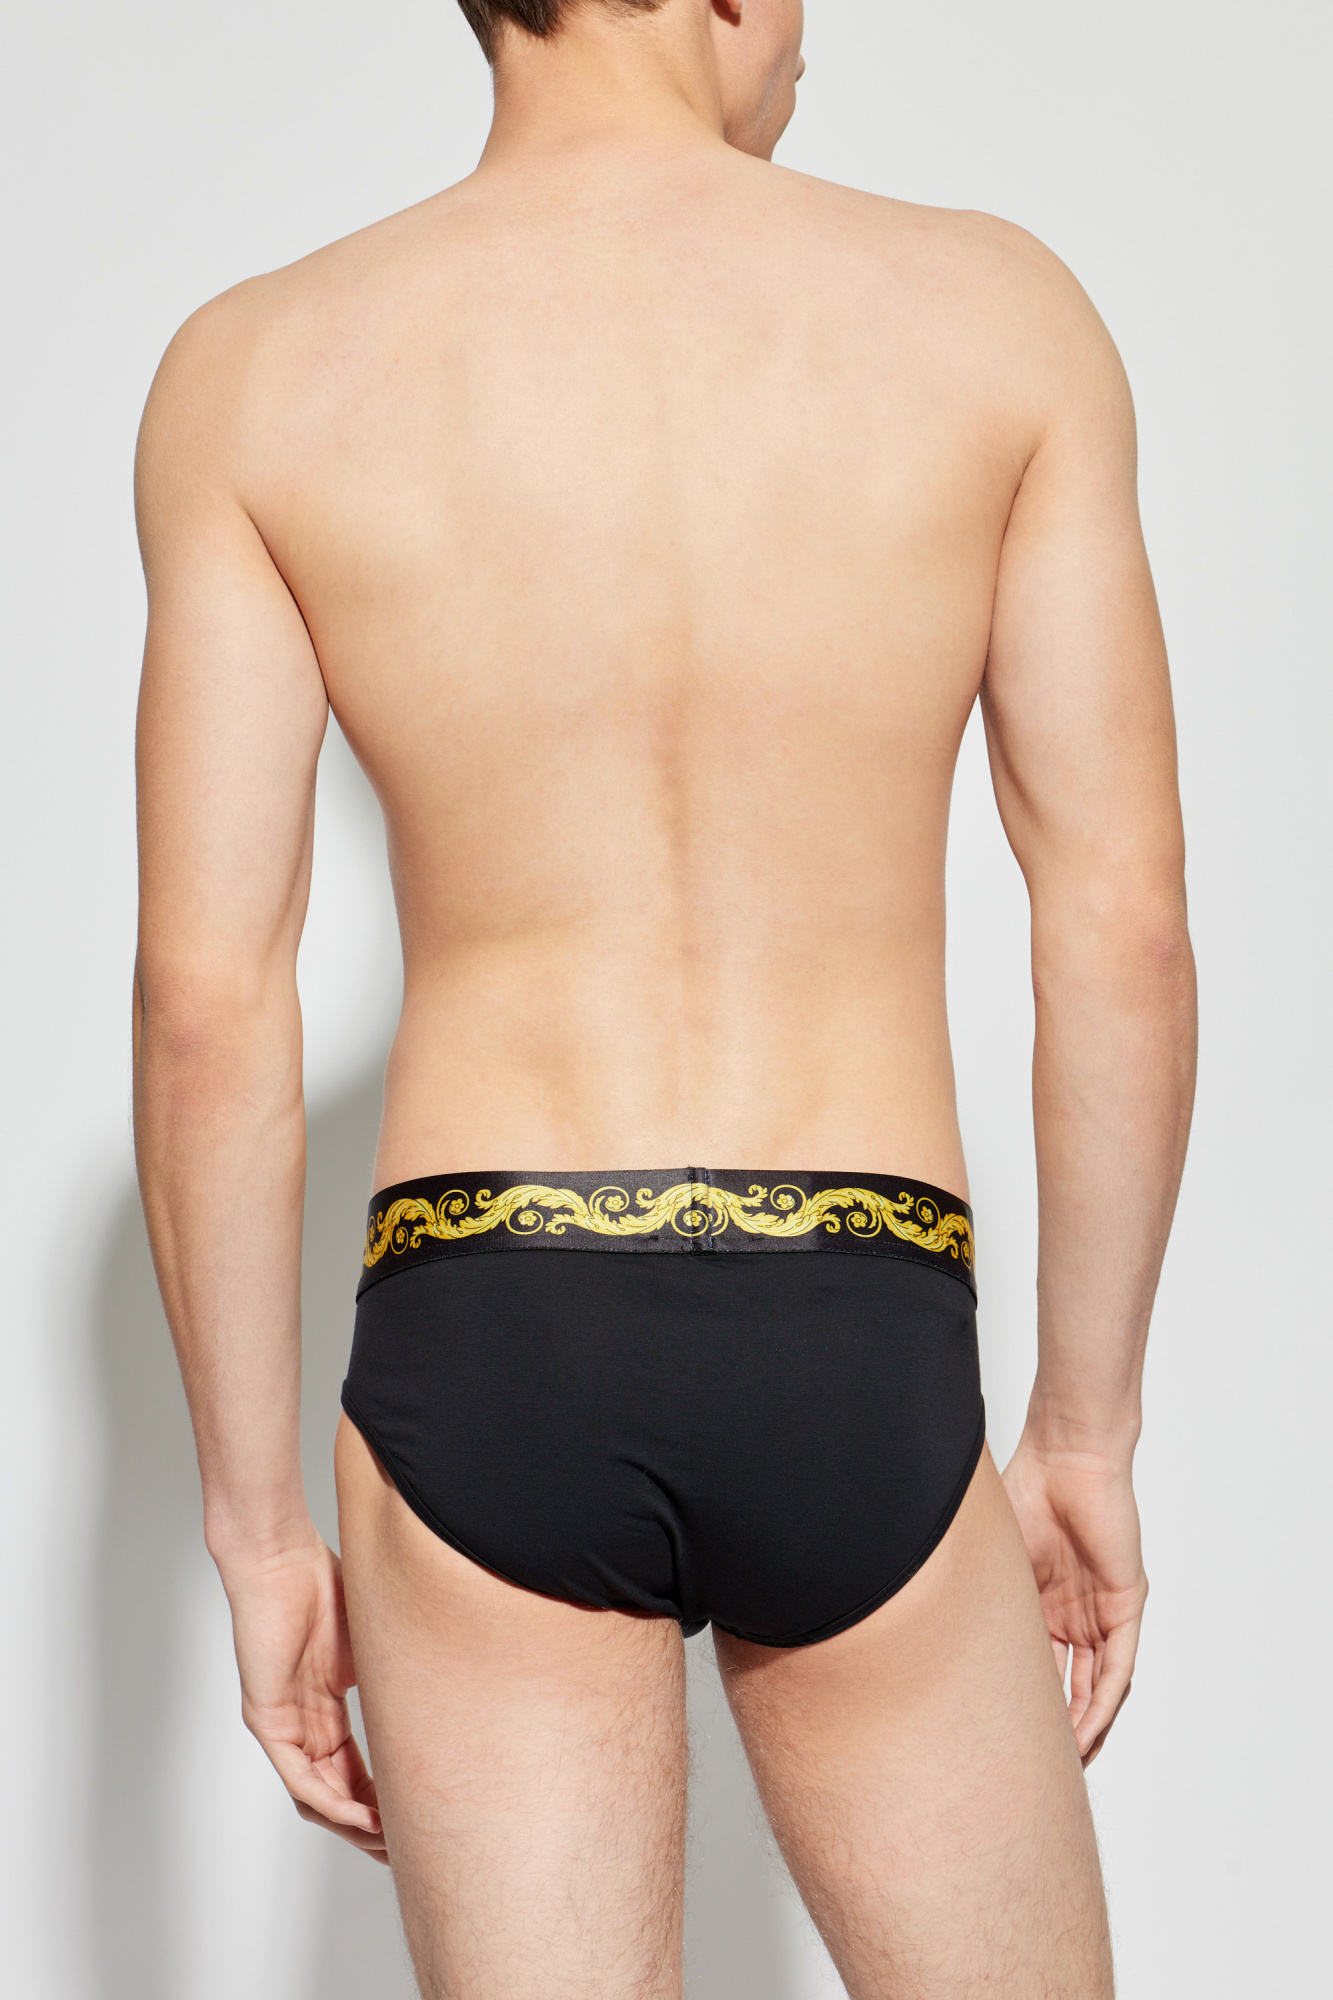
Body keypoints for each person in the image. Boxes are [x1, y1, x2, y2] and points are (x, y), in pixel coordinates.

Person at [132, 1, 1197, 1992]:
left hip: (484, 1308)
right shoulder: (997, 321)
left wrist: (258, 1530)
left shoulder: (261, 368)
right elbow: (1117, 923)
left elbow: (208, 1001)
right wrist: (1082, 1426)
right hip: (861, 1300)